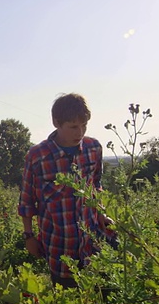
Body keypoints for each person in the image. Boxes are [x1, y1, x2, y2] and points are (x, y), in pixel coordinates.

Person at [18, 93, 117, 288]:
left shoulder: (93, 148)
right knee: (67, 300)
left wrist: (103, 214)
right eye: (73, 127)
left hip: (93, 237)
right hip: (59, 242)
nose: (79, 132)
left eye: (84, 125)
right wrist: (29, 236)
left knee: (100, 296)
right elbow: (27, 200)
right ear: (56, 122)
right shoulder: (37, 155)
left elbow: (96, 184)